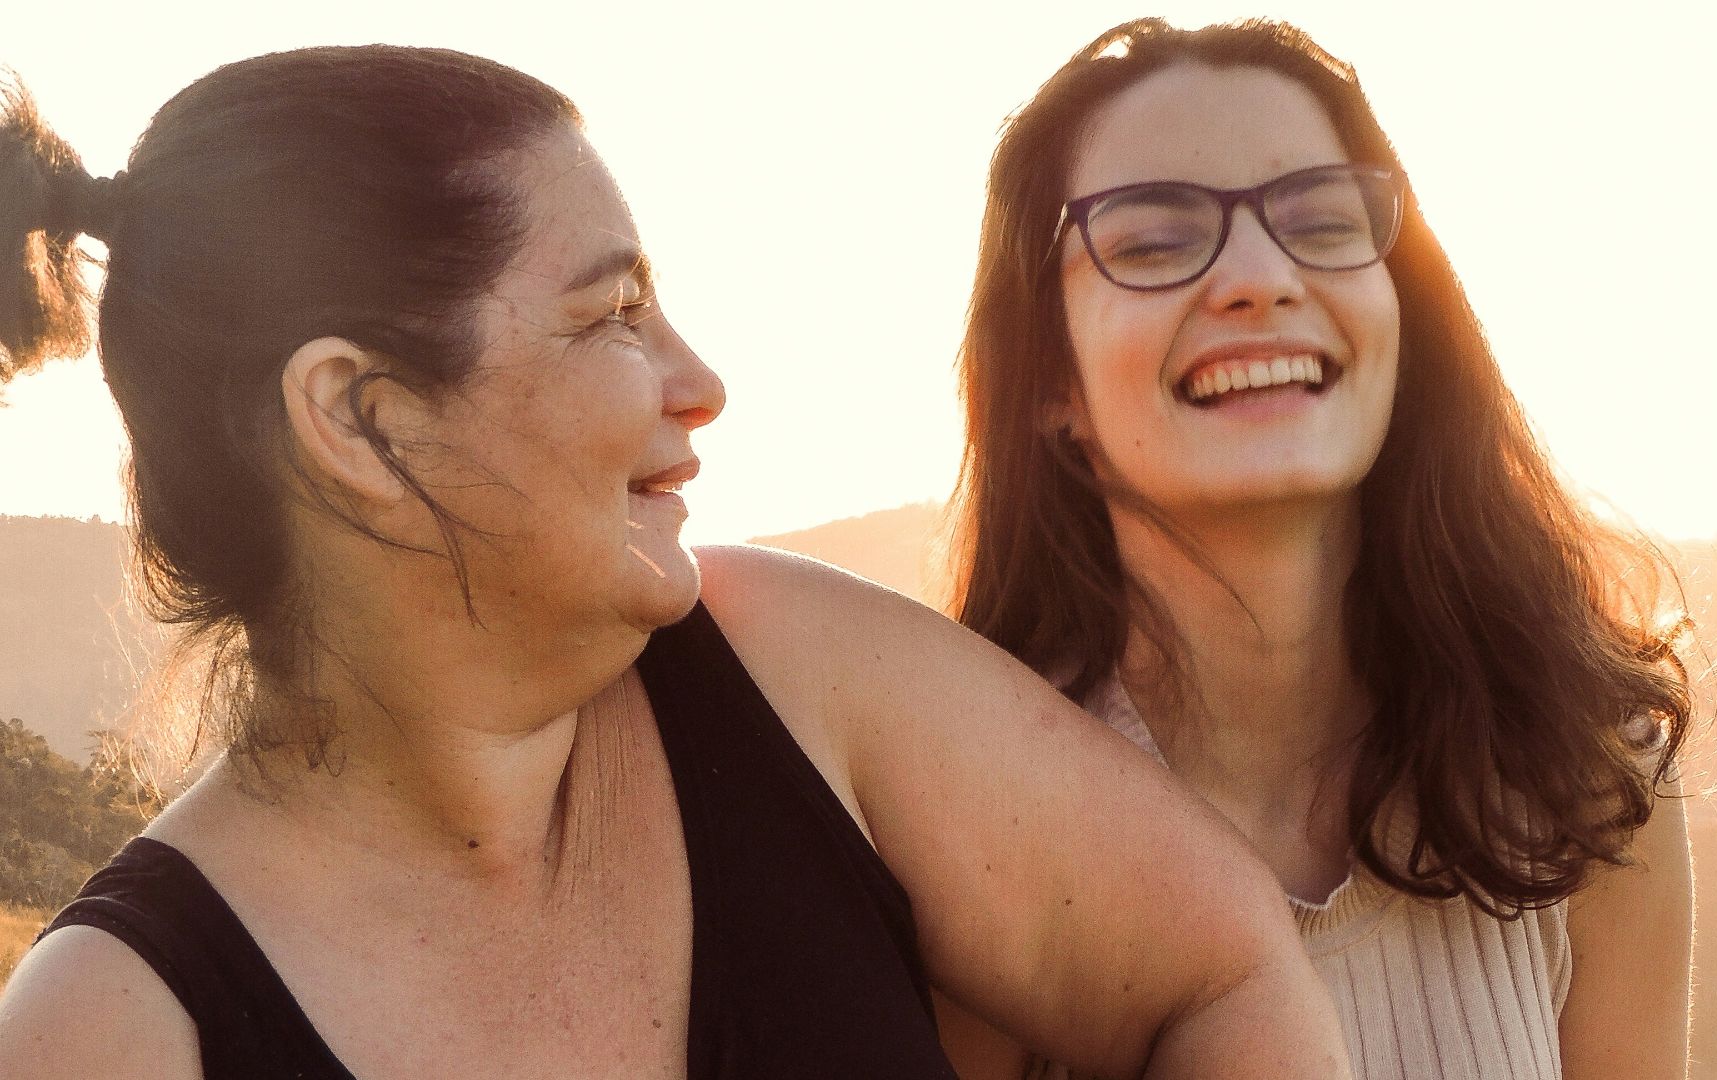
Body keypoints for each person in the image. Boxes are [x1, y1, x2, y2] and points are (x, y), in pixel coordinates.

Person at [0, 47, 1352, 1079]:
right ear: (362, 420)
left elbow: (1225, 973)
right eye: (614, 314)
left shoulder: (793, 670)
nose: (699, 383)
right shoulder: (109, 1032)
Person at [936, 18, 1695, 1080]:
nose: (1260, 277)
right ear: (1049, 382)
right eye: (1153, 241)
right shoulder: (969, 831)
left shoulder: (1586, 776)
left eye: (1324, 221)